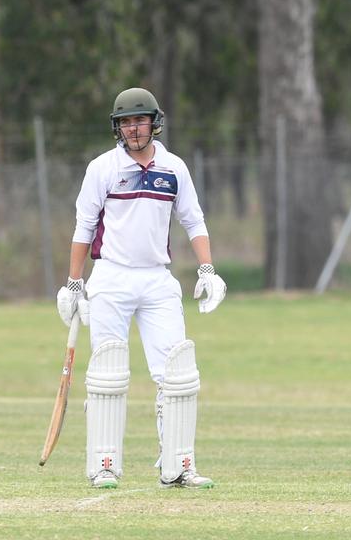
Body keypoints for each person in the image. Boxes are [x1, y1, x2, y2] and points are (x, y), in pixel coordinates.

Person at [55, 87, 226, 490]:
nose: (134, 129)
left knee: (177, 374)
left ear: (154, 123)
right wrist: (74, 283)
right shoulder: (102, 167)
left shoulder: (174, 168)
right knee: (108, 373)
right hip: (111, 277)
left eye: (140, 121)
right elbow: (83, 226)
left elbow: (194, 220)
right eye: (126, 122)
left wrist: (207, 270)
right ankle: (105, 465)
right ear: (118, 127)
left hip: (157, 278)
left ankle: (178, 466)